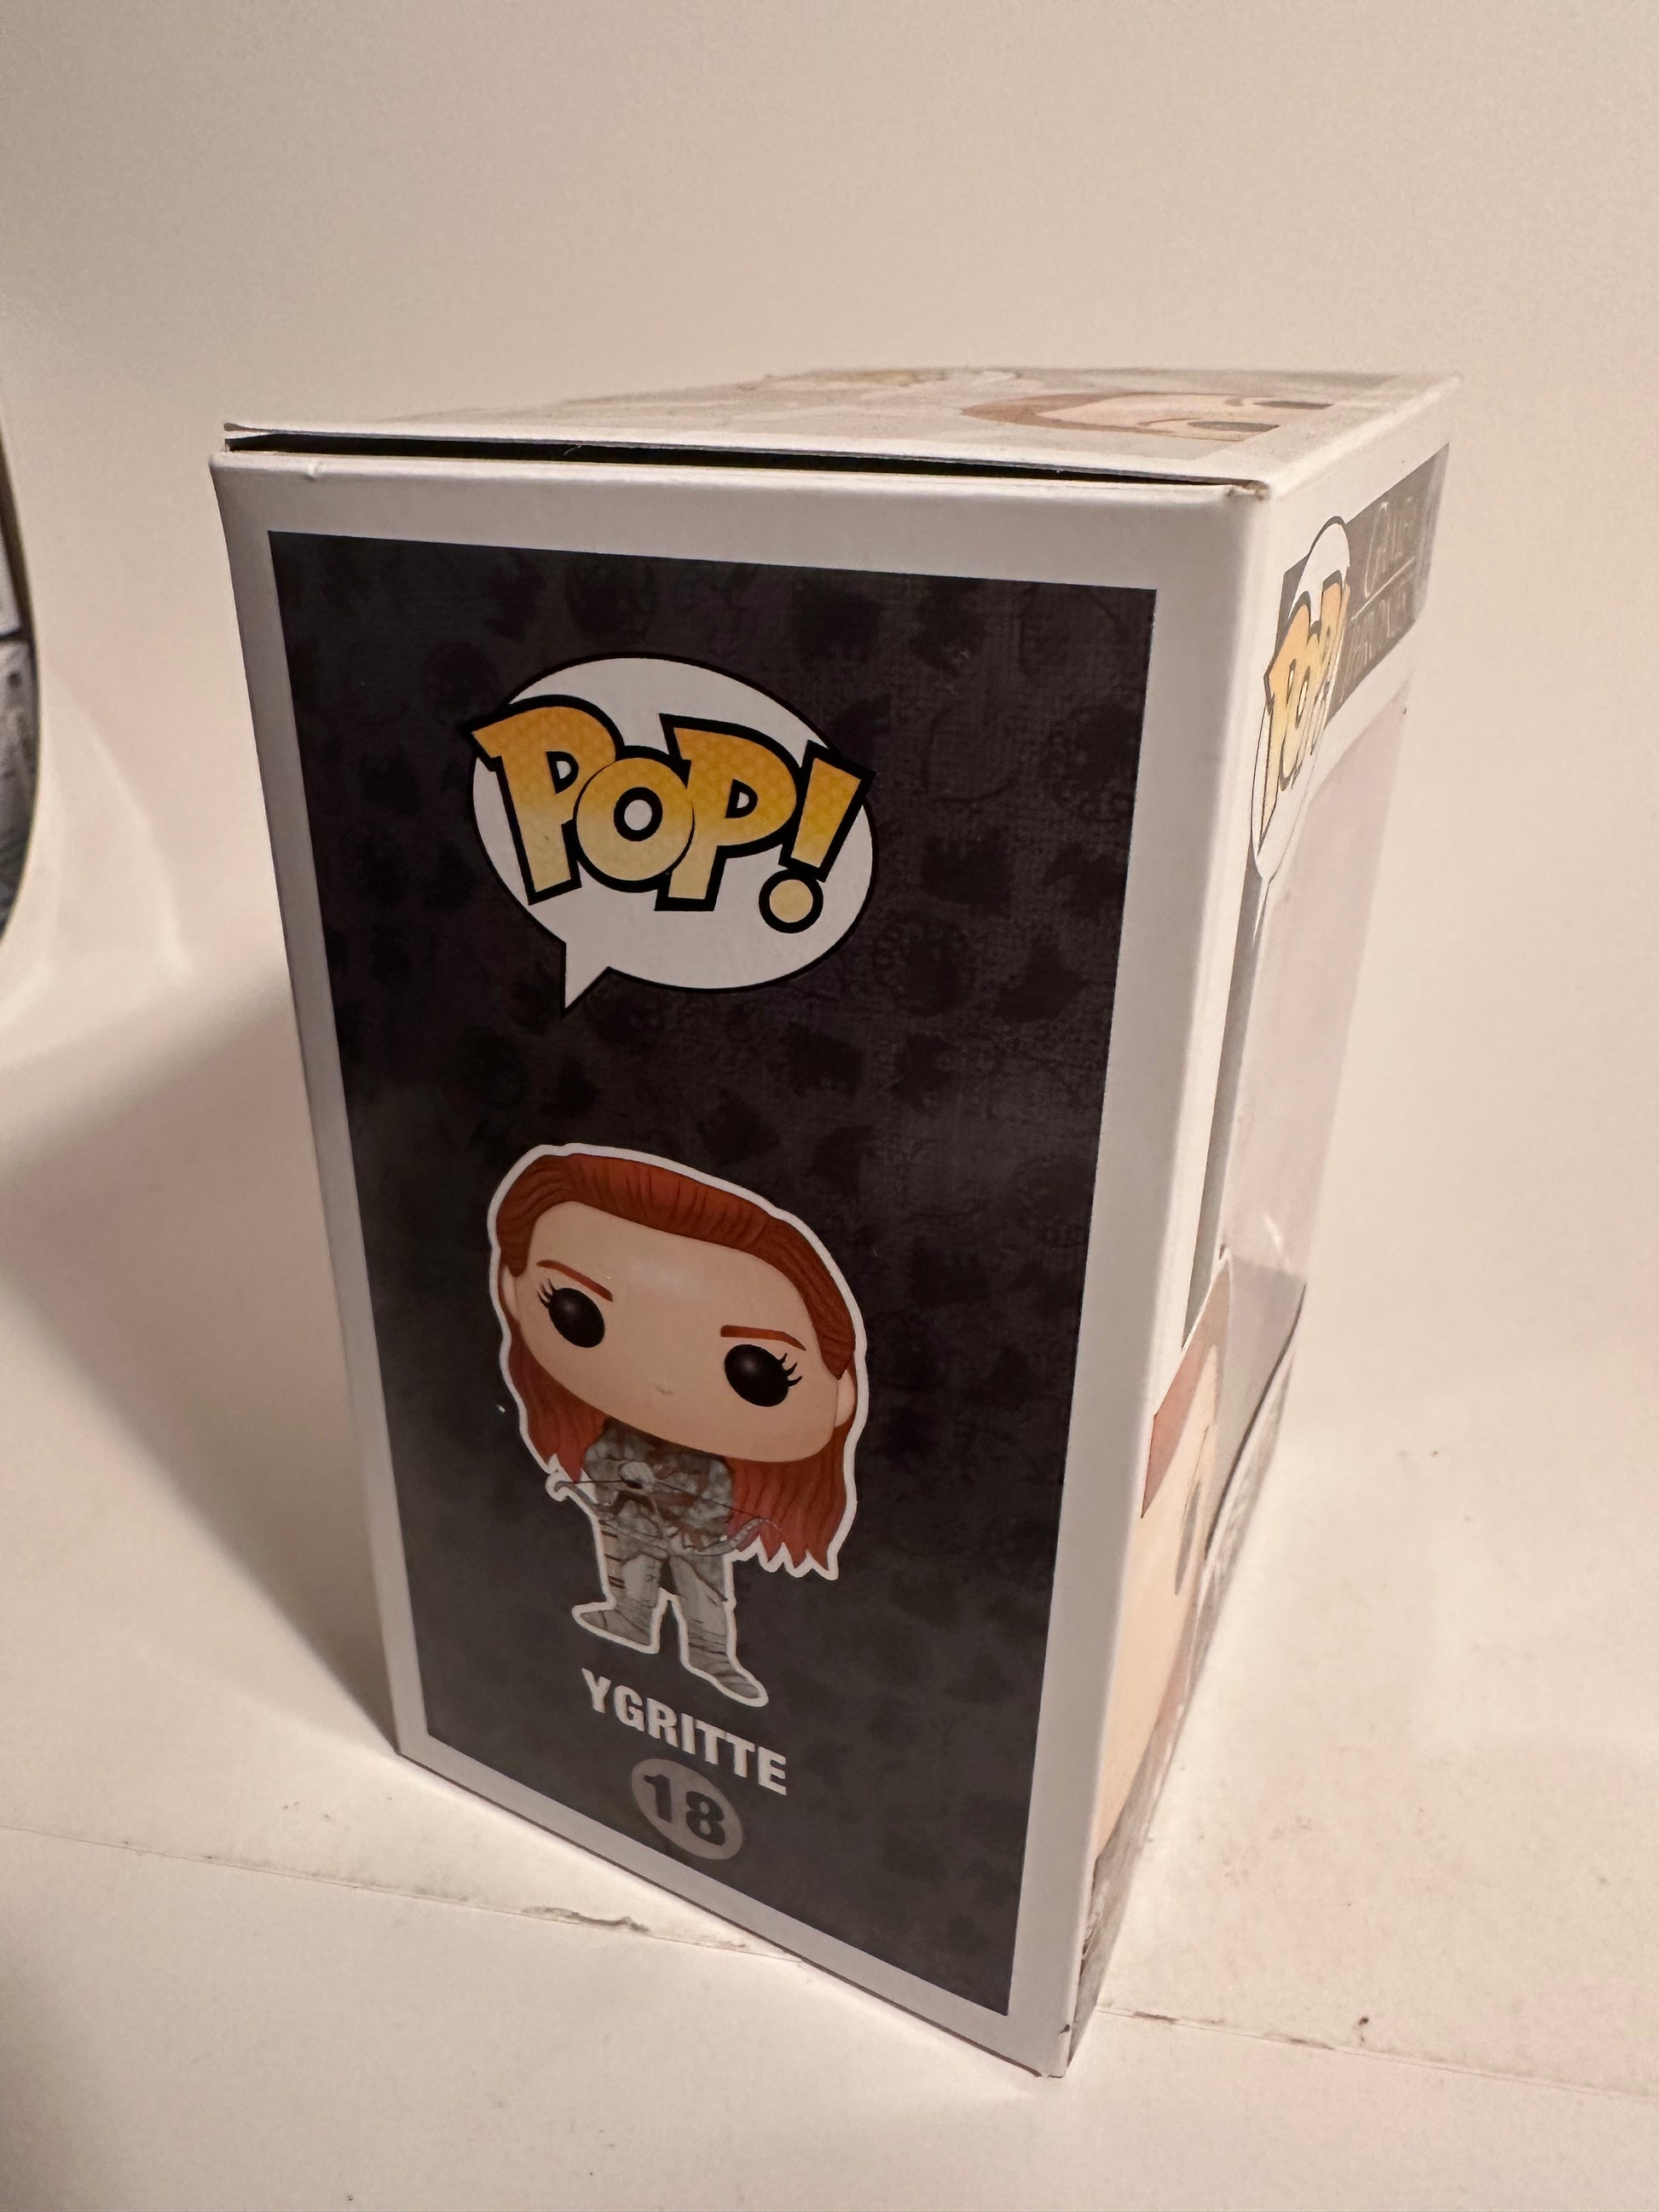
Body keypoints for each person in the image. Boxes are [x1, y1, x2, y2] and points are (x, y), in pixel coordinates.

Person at [489, 1144, 865, 1708]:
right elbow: (599, 1460)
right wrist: (622, 1477)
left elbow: (717, 1491)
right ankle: (631, 1619)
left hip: (695, 1534)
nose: (663, 1383)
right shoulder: (618, 1434)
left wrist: (681, 1507)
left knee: (702, 1590)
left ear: (842, 1394)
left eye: (758, 1370)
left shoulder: (711, 1467)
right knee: (629, 1571)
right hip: (631, 1519)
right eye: (574, 1309)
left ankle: (712, 1653)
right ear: (511, 1289)